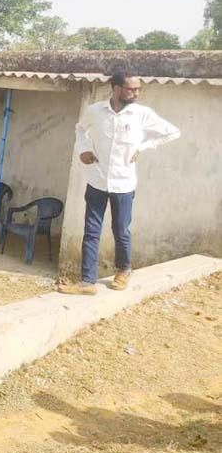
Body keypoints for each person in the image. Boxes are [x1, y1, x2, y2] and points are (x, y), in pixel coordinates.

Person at [60, 73, 180, 295]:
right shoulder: (95, 111)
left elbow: (173, 132)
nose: (135, 93)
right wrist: (83, 149)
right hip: (97, 179)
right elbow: (80, 129)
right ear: (115, 88)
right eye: (130, 89)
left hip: (124, 183)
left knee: (121, 230)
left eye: (138, 90)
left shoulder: (141, 114)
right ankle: (87, 283)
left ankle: (124, 270)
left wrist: (142, 147)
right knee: (91, 231)